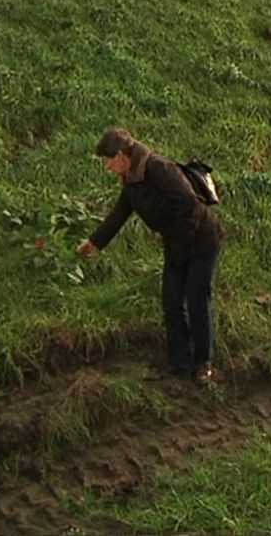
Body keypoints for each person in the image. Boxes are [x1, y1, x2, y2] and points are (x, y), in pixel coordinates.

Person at [77, 128, 224, 383]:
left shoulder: (159, 169)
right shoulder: (131, 180)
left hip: (202, 241)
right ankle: (179, 363)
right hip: (176, 245)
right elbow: (119, 214)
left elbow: (189, 205)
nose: (107, 167)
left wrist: (182, 242)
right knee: (171, 302)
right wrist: (94, 243)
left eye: (108, 161)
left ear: (122, 155)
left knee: (197, 299)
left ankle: (203, 363)